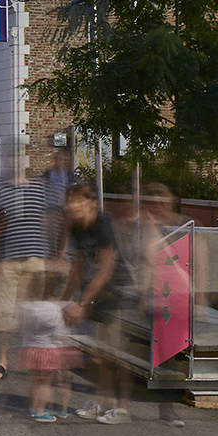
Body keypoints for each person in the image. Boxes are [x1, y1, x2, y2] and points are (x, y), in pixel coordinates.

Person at [62, 179, 134, 420]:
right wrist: (62, 301)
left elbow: (106, 270)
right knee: (103, 354)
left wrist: (82, 303)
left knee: (117, 354)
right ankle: (105, 403)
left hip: (118, 293)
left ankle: (122, 408)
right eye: (69, 201)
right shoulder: (78, 227)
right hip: (98, 294)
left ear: (91, 203)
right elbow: (78, 268)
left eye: (78, 201)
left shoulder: (103, 225)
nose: (72, 206)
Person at [0, 166, 50, 381]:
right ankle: (2, 361)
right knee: (2, 313)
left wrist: (55, 256)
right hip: (6, 262)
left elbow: (51, 222)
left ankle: (34, 359)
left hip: (35, 259)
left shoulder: (40, 190)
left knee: (33, 314)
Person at [18, 262, 80, 421]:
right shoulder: (54, 309)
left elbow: (21, 326)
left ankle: (32, 408)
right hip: (48, 350)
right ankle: (41, 411)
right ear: (53, 289)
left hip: (30, 348)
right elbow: (58, 332)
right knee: (46, 383)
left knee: (34, 380)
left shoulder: (26, 306)